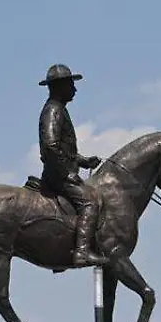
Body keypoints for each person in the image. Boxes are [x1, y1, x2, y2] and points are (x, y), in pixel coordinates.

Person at [37, 63, 106, 267]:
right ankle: (82, 252)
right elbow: (50, 146)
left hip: (61, 171)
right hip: (58, 175)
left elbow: (63, 150)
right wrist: (67, 173)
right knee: (90, 202)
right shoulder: (53, 111)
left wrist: (83, 161)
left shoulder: (59, 110)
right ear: (59, 87)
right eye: (70, 85)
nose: (74, 89)